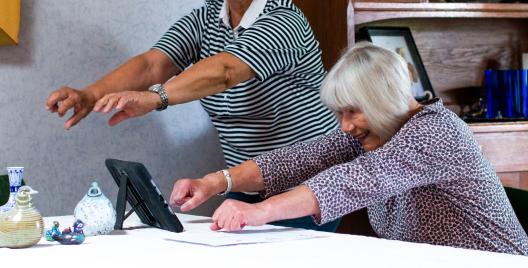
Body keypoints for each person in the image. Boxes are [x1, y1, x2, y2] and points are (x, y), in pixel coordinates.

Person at [46, 0, 339, 231]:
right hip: (246, 185)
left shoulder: (285, 22)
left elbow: (226, 70)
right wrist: (91, 94)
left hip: (310, 184)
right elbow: (152, 63)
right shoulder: (207, 18)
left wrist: (155, 98)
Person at [169, 42, 528, 255]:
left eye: (353, 111)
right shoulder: (376, 133)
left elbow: (353, 181)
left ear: (383, 99)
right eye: (341, 112)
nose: (345, 125)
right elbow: (297, 160)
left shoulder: (436, 131)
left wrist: (256, 213)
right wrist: (213, 183)